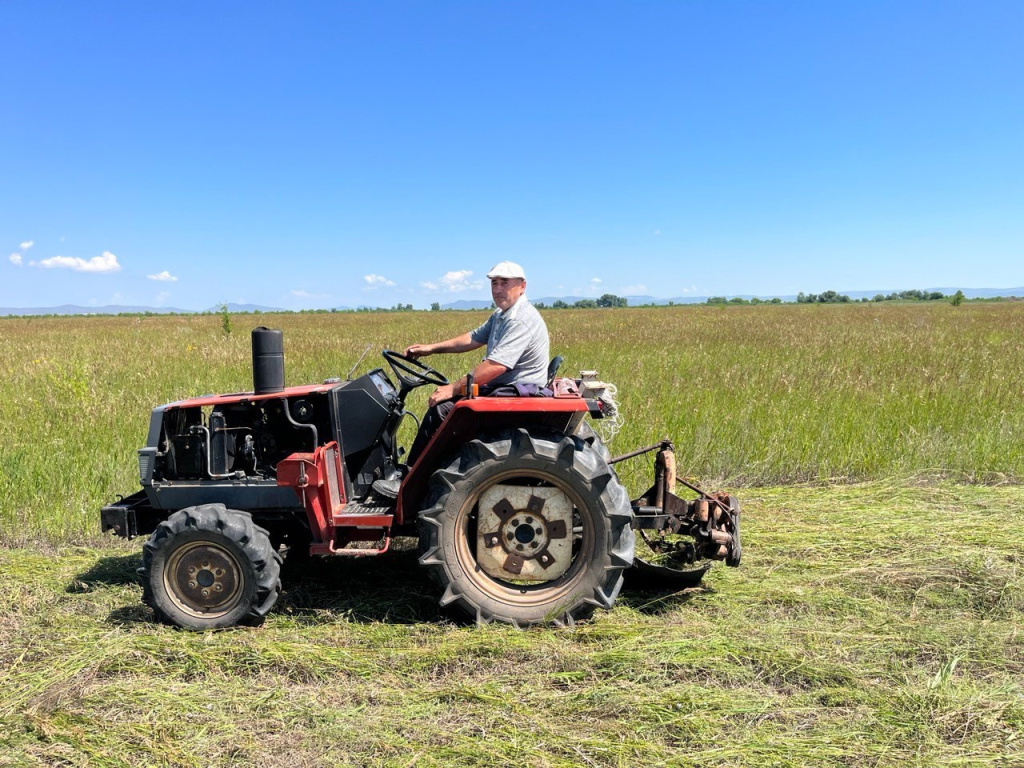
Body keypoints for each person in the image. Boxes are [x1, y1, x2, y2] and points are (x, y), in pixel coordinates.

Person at [373, 260, 550, 497]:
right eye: (494, 283)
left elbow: (496, 366)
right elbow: (473, 338)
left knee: (443, 409)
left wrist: (454, 389)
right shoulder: (501, 315)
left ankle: (408, 482)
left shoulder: (520, 319)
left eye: (504, 283)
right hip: (506, 386)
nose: (497, 289)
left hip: (515, 390)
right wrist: (430, 348)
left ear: (522, 286)